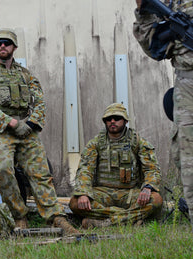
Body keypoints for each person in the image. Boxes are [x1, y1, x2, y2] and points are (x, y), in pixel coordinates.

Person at [0, 29, 79, 235]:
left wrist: (29, 124)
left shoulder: (25, 74)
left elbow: (39, 102)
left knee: (40, 173)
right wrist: (11, 123)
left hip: (26, 130)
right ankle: (18, 215)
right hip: (0, 130)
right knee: (2, 168)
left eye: (7, 43)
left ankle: (56, 218)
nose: (2, 46)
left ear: (14, 47)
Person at [133, 0, 193, 230]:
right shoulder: (172, 2)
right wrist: (144, 11)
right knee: (189, 166)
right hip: (187, 81)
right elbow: (154, 47)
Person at [69, 103, 163, 228]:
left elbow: (152, 168)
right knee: (75, 202)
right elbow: (85, 170)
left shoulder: (137, 141)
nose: (112, 121)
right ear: (105, 122)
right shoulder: (96, 143)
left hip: (129, 194)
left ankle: (102, 223)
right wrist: (83, 193)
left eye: (117, 118)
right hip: (103, 193)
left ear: (125, 120)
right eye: (109, 119)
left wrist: (147, 187)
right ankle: (128, 220)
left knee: (156, 199)